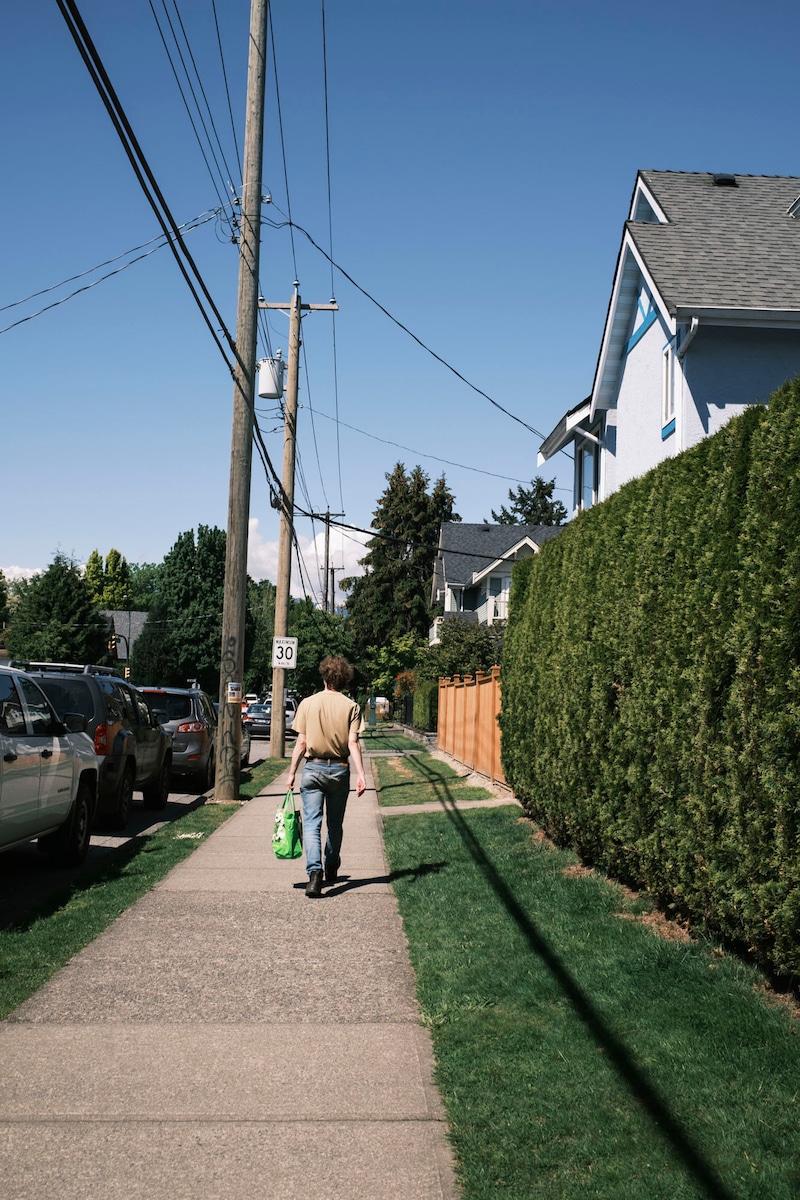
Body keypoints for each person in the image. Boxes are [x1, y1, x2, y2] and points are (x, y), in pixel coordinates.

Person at [287, 656, 367, 898]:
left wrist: (292, 772)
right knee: (335, 824)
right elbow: (352, 742)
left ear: (323, 677)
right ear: (343, 680)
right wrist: (361, 774)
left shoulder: (307, 704)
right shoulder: (351, 706)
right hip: (340, 769)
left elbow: (301, 742)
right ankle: (331, 863)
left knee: (312, 824)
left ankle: (314, 875)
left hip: (312, 769)